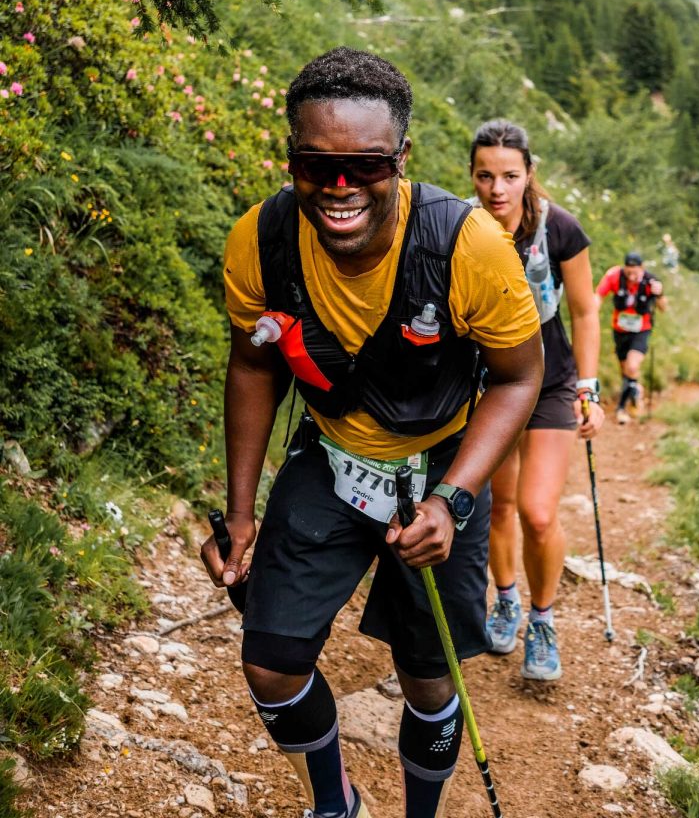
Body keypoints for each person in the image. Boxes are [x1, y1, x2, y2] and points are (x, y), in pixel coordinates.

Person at [201, 49, 544, 818]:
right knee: (271, 662)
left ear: (401, 158)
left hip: (441, 462)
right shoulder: (261, 238)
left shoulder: (469, 247)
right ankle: (335, 805)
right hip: (331, 456)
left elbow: (520, 378)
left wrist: (454, 502)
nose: (341, 184)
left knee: (430, 675)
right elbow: (254, 368)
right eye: (316, 164)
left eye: (365, 163)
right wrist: (242, 511)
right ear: (292, 157)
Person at [470, 119, 604, 683]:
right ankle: (506, 598)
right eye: (485, 175)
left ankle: (543, 621)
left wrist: (588, 389)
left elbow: (586, 311)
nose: (497, 188)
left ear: (529, 173)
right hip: (488, 385)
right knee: (498, 508)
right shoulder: (462, 227)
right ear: (472, 176)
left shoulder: (560, 229)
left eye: (509, 175)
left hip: (550, 385)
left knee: (539, 512)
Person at [595, 252, 665, 424]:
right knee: (625, 370)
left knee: (632, 367)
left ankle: (621, 408)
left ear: (642, 268)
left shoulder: (650, 281)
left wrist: (659, 294)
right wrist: (590, 314)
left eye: (635, 272)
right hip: (620, 330)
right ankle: (635, 390)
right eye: (629, 272)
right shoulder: (615, 276)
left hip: (641, 329)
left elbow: (663, 308)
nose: (632, 277)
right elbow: (598, 295)